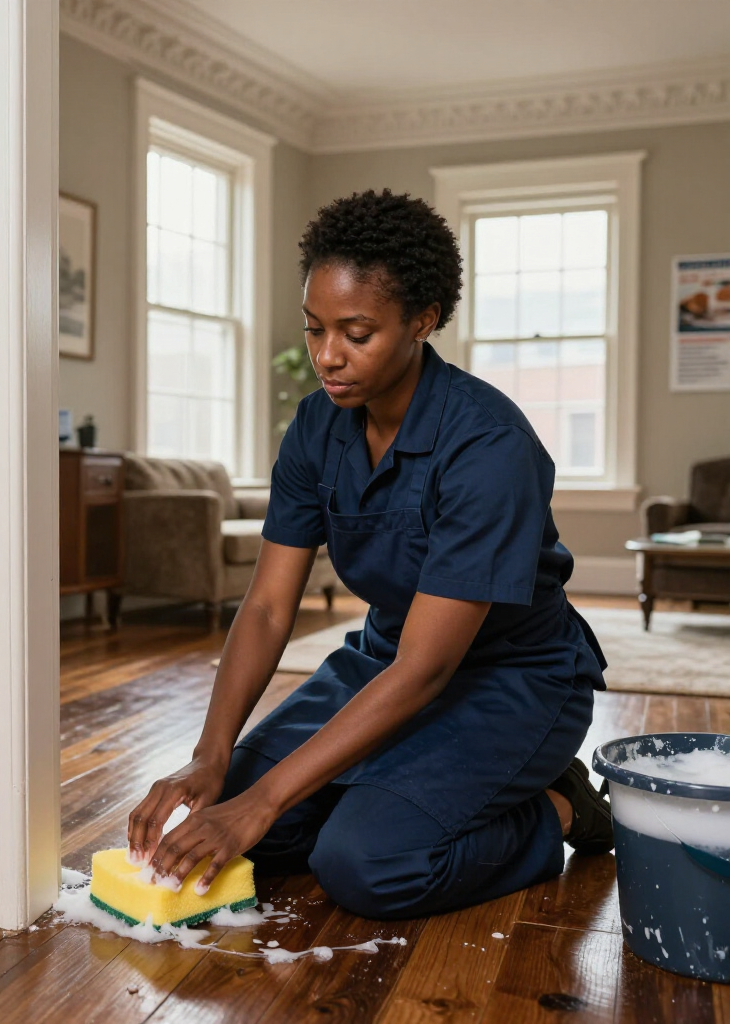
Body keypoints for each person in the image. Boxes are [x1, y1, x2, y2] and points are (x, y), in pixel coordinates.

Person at [126, 189, 612, 920]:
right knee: (233, 814)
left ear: (423, 320)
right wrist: (211, 755)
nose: (327, 356)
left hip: (510, 679)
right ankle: (388, 793)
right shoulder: (317, 427)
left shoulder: (489, 447)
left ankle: (563, 809)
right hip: (383, 658)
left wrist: (268, 797)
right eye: (315, 328)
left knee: (366, 863)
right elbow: (264, 607)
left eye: (356, 333)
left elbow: (431, 667)